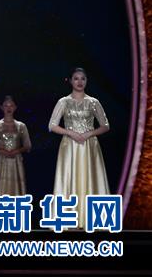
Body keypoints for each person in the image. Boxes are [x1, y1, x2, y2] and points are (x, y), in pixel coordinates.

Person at [48, 67, 110, 229]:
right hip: (70, 146)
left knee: (90, 178)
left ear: (87, 81)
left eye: (83, 78)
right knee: (69, 177)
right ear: (70, 81)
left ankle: (91, 218)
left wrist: (89, 133)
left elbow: (105, 125)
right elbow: (52, 125)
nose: (80, 81)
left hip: (89, 146)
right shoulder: (63, 102)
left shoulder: (93, 102)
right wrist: (70, 133)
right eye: (76, 78)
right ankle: (69, 218)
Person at [0, 95, 31, 230]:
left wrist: (16, 151)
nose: (8, 108)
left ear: (15, 107)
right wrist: (3, 151)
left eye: (11, 105)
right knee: (1, 191)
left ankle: (17, 223)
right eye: (6, 105)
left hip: (16, 162)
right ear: (1, 108)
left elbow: (28, 146)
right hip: (2, 162)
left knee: (16, 191)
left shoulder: (21, 126)